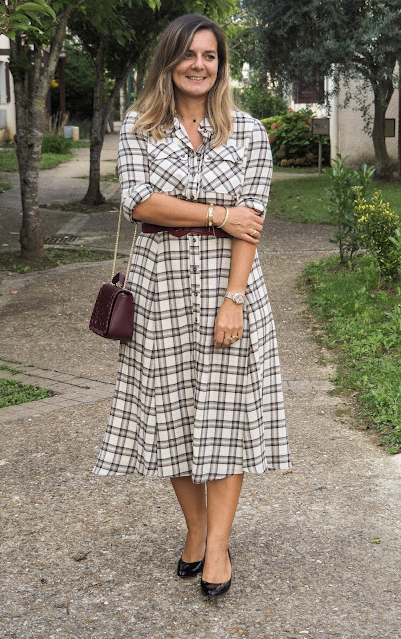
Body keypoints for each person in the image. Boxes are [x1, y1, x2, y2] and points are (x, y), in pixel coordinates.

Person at [93, 13, 291, 598]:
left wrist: (234, 301)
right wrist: (216, 213)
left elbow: (249, 224)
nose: (199, 65)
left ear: (220, 66)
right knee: (173, 412)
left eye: (210, 56)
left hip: (231, 286)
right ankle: (198, 528)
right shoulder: (140, 127)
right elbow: (141, 203)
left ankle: (219, 548)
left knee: (226, 418)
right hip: (160, 285)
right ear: (170, 62)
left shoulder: (250, 132)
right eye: (188, 55)